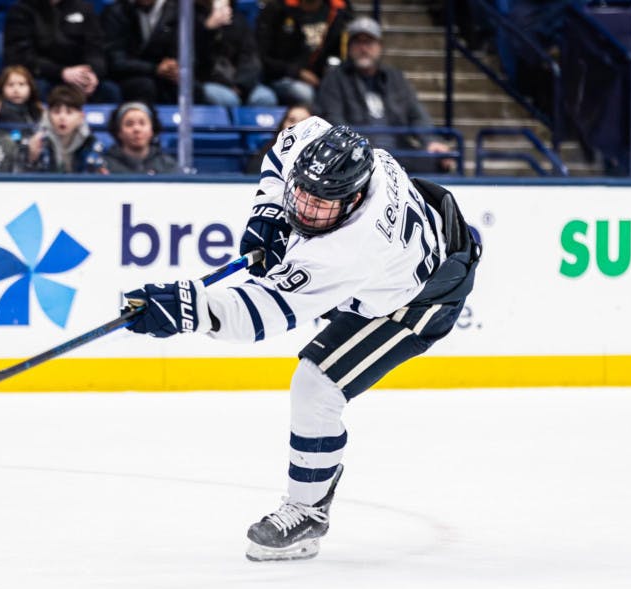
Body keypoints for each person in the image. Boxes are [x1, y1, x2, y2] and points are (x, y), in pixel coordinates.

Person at [121, 118, 480, 561]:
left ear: (352, 199)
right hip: (417, 248)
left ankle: (308, 511)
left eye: (320, 203)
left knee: (317, 386)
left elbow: (259, 315)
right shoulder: (329, 154)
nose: (305, 209)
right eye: (301, 194)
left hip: (421, 300)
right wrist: (268, 212)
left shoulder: (350, 248)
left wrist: (185, 309)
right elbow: (290, 139)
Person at [316, 17, 454, 173]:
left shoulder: (395, 77)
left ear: (380, 46)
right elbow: (334, 120)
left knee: (439, 163)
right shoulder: (334, 79)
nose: (363, 48)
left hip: (398, 150)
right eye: (357, 42)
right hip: (357, 154)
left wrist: (430, 141)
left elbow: (416, 114)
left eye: (369, 42)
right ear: (349, 47)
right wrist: (357, 148)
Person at [3, 0, 122, 103]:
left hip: (79, 75)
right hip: (45, 75)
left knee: (110, 90)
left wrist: (92, 73)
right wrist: (62, 72)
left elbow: (96, 49)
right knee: (39, 88)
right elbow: (20, 56)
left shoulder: (84, 8)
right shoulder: (21, 11)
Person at [102, 0, 204, 104]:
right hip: (130, 76)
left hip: (166, 76)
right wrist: (155, 68)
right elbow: (116, 61)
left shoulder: (176, 11)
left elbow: (188, 54)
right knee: (144, 86)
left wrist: (174, 68)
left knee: (191, 87)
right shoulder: (116, 12)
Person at [256, 0, 351, 105]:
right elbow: (262, 56)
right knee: (304, 93)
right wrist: (298, 73)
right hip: (281, 77)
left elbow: (338, 53)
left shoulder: (338, 10)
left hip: (322, 77)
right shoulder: (277, 9)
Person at [196, 0, 278, 109]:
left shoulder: (238, 20)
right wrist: (209, 28)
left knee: (265, 97)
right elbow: (195, 59)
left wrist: (240, 85)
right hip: (207, 81)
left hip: (238, 82)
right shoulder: (193, 17)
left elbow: (251, 58)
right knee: (229, 99)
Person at [25, 84, 105, 173]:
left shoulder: (90, 142)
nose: (62, 117)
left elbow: (94, 179)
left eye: (69, 112)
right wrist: (31, 159)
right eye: (56, 112)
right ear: (48, 115)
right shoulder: (38, 141)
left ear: (81, 116)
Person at [102, 101, 177, 174]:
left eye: (142, 123)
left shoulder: (167, 165)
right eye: (129, 124)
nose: (136, 129)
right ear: (119, 131)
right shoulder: (105, 166)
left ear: (152, 130)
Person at [245, 102, 312, 173]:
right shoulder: (268, 154)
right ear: (283, 124)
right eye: (292, 120)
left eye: (304, 122)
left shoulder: (320, 156)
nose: (296, 125)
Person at [0, 65, 44, 131]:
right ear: (2, 89)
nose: (16, 90)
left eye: (21, 84)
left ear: (30, 88)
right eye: (10, 85)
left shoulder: (37, 109)